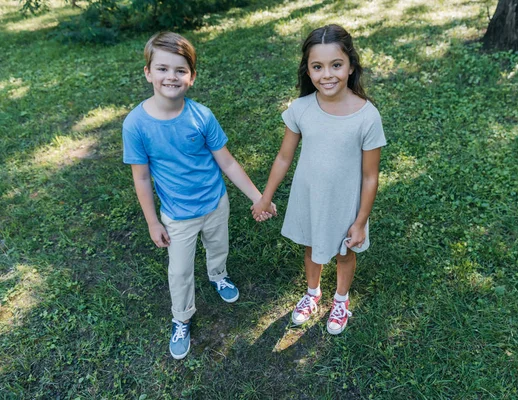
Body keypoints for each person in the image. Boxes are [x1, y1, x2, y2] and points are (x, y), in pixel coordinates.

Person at [122, 31, 275, 359]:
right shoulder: (135, 124)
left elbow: (228, 163)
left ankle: (218, 275)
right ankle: (182, 316)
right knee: (179, 271)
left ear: (191, 77)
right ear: (148, 72)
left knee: (219, 246)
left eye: (180, 70)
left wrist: (257, 197)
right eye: (162, 69)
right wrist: (152, 222)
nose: (171, 77)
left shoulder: (201, 116)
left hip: (216, 202)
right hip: (177, 215)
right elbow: (142, 177)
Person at [251, 24, 386, 335]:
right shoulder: (301, 109)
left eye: (336, 65)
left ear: (351, 66)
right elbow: (284, 157)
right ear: (308, 70)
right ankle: (312, 294)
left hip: (345, 203)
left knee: (344, 252)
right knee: (312, 247)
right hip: (310, 197)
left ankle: (341, 299)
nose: (327, 74)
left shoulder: (367, 116)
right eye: (317, 66)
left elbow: (370, 176)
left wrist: (360, 220)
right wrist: (266, 196)